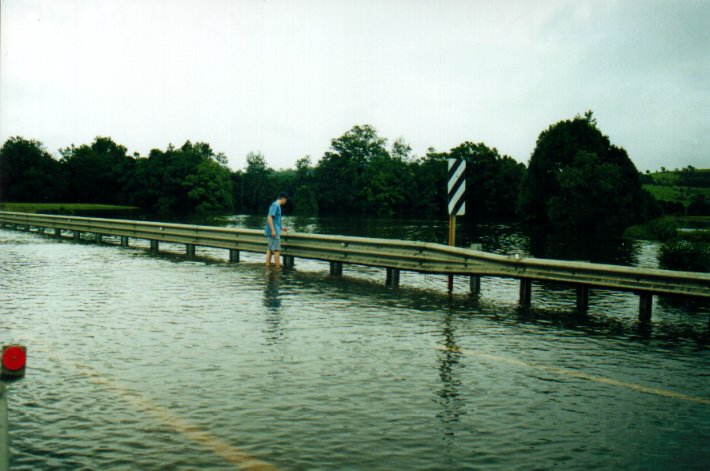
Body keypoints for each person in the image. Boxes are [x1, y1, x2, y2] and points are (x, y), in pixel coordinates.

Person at [264, 192, 288, 267]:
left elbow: (275, 220)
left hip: (274, 230)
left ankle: (267, 267)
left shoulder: (276, 205)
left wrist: (281, 227)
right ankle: (277, 268)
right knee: (277, 250)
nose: (285, 202)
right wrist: (273, 230)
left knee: (270, 250)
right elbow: (269, 217)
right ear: (283, 198)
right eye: (286, 200)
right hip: (274, 232)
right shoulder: (276, 205)